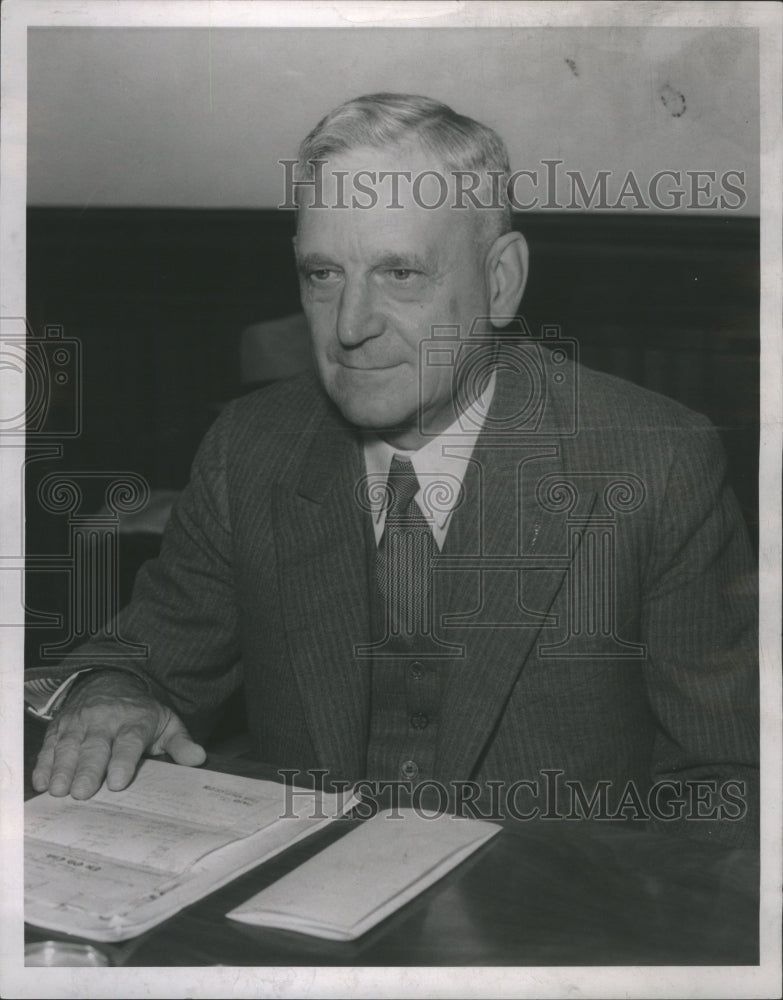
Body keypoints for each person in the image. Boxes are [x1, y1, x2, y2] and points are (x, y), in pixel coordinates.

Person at [26, 94, 758, 844]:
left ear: (500, 282)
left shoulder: (652, 458)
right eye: (322, 275)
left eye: (400, 273)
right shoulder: (250, 444)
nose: (349, 326)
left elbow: (730, 784)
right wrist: (114, 692)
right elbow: (143, 657)